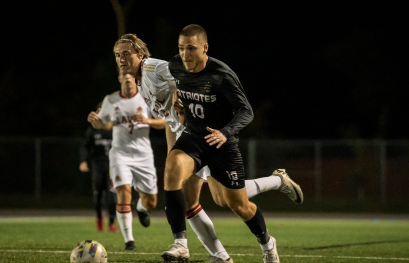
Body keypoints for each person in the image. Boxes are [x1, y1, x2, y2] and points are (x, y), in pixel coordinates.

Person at [113, 33, 303, 263]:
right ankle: (216, 255)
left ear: (140, 55)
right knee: (195, 198)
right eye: (117, 55)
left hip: (207, 133)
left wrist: (176, 92)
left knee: (229, 201)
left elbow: (182, 74)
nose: (121, 59)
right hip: (187, 136)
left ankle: (276, 185)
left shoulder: (152, 68)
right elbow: (169, 119)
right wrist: (173, 152)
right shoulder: (139, 81)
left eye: (126, 53)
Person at [87, 72, 167, 251]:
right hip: (120, 155)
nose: (129, 79)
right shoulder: (111, 99)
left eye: (132, 77)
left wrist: (147, 120)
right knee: (123, 193)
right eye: (125, 76)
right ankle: (129, 241)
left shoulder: (146, 98)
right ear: (120, 79)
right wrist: (95, 122)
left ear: (137, 80)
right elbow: (105, 124)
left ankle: (141, 208)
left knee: (151, 202)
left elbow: (165, 121)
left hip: (143, 156)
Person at [79, 108, 117, 233]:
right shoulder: (93, 129)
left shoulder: (116, 128)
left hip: (112, 167)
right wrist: (83, 161)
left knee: (112, 197)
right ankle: (99, 218)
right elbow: (85, 145)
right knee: (98, 195)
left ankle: (111, 222)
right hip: (97, 165)